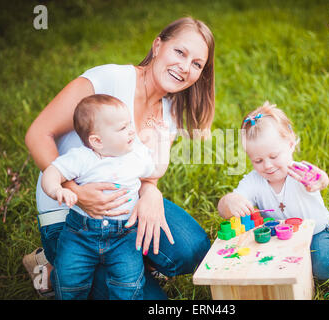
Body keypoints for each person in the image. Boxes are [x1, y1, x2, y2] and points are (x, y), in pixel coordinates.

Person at [23, 17, 214, 299]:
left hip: (123, 209)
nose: (185, 68)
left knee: (193, 249)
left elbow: (146, 174)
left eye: (197, 64)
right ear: (158, 45)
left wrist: (151, 193)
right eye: (180, 52)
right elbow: (39, 134)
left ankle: (128, 265)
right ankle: (51, 269)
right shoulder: (109, 80)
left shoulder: (171, 110)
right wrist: (76, 192)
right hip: (71, 216)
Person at [41, 94, 171, 299]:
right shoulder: (82, 158)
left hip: (125, 235)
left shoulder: (135, 155)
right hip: (80, 233)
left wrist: (163, 140)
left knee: (128, 286)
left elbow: (157, 170)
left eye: (129, 124)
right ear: (97, 141)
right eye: (122, 128)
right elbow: (51, 173)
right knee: (69, 283)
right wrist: (58, 190)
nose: (131, 130)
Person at [217, 101, 329, 280]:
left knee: (324, 268)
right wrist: (229, 201)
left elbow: (322, 180)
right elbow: (225, 207)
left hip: (315, 233)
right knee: (264, 266)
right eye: (258, 161)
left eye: (273, 156)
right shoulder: (254, 181)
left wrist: (320, 180)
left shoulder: (298, 172)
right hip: (278, 237)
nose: (267, 166)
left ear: (290, 145)